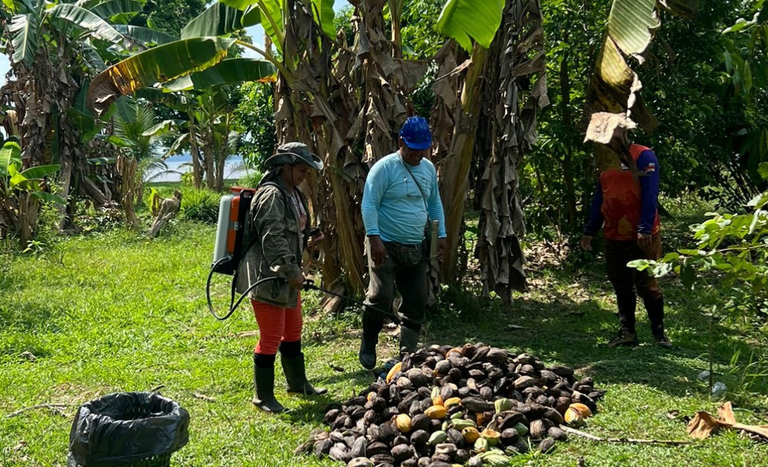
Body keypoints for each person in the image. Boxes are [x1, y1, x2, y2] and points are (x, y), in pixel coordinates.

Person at [236, 142, 327, 413]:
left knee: (293, 330)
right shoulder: (271, 195)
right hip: (269, 275)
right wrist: (291, 271)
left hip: (289, 274)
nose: (304, 175)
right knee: (272, 335)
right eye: (301, 169)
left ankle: (297, 383)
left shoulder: (294, 194)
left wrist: (310, 239)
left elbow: (294, 231)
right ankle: (263, 397)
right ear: (285, 167)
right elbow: (272, 239)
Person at [359, 116, 447, 369]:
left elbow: (434, 203)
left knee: (416, 298)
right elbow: (369, 204)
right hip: (384, 244)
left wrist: (441, 235)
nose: (418, 155)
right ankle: (369, 340)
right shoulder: (384, 168)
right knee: (380, 296)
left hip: (415, 246)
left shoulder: (428, 169)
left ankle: (408, 355)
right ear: (401, 142)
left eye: (422, 150)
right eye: (413, 149)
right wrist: (373, 238)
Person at [580, 112, 671, 349]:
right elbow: (601, 196)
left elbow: (650, 195)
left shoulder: (643, 156)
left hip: (642, 235)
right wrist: (590, 230)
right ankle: (627, 332)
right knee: (620, 284)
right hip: (613, 233)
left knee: (647, 284)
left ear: (621, 132)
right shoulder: (605, 162)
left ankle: (659, 334)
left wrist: (644, 228)